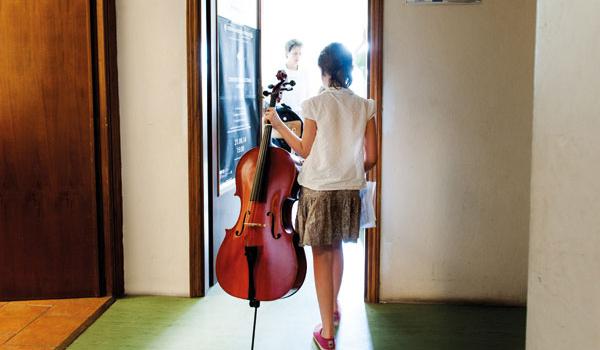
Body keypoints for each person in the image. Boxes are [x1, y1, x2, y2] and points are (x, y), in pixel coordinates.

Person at [263, 42, 378, 350]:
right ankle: (334, 308)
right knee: (337, 247)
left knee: (322, 256)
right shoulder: (366, 106)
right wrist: (348, 169)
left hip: (318, 191)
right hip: (349, 189)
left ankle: (326, 333)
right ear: (348, 70)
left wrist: (276, 124)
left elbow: (302, 149)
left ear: (325, 71)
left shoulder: (315, 104)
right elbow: (372, 158)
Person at [280, 39, 310, 114]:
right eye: (295, 53)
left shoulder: (304, 73)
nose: (298, 56)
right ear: (287, 53)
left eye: (300, 53)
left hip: (301, 115)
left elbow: (307, 96)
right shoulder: (279, 72)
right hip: (283, 114)